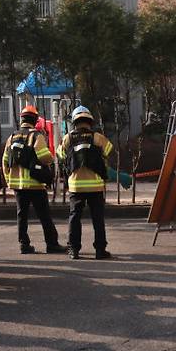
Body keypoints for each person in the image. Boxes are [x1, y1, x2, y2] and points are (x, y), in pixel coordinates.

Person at [3, 106, 65, 255]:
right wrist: (51, 158)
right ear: (35, 120)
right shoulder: (36, 136)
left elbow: (5, 161)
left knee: (21, 216)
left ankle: (24, 245)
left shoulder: (12, 137)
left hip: (18, 185)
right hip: (35, 184)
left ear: (22, 119)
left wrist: (9, 180)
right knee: (44, 216)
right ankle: (52, 244)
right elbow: (44, 156)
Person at [57, 106, 114, 260]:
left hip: (76, 185)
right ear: (90, 121)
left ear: (75, 122)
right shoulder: (97, 137)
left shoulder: (68, 137)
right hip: (95, 185)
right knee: (97, 218)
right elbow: (109, 151)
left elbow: (60, 154)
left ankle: (73, 250)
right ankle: (100, 251)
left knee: (74, 217)